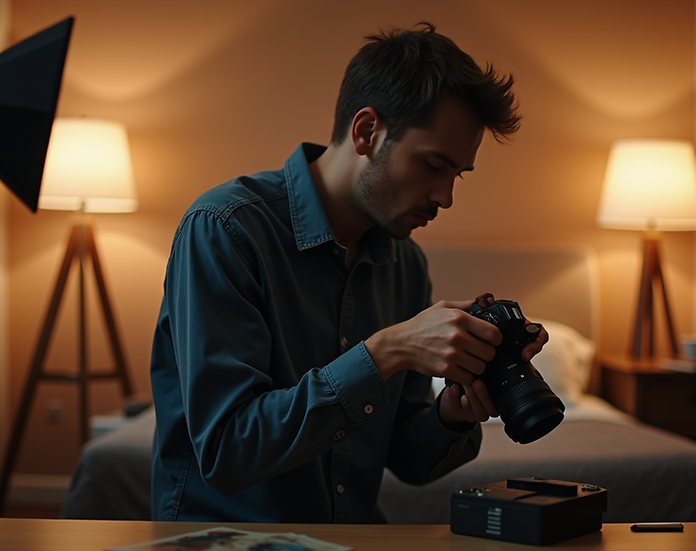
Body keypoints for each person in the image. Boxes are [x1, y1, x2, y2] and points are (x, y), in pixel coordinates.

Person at [150, 22, 547, 523]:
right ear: (366, 132)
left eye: (457, 175)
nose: (446, 198)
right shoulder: (226, 230)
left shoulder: (405, 264)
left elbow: (407, 460)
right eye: (433, 165)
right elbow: (227, 450)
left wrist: (453, 412)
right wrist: (386, 352)